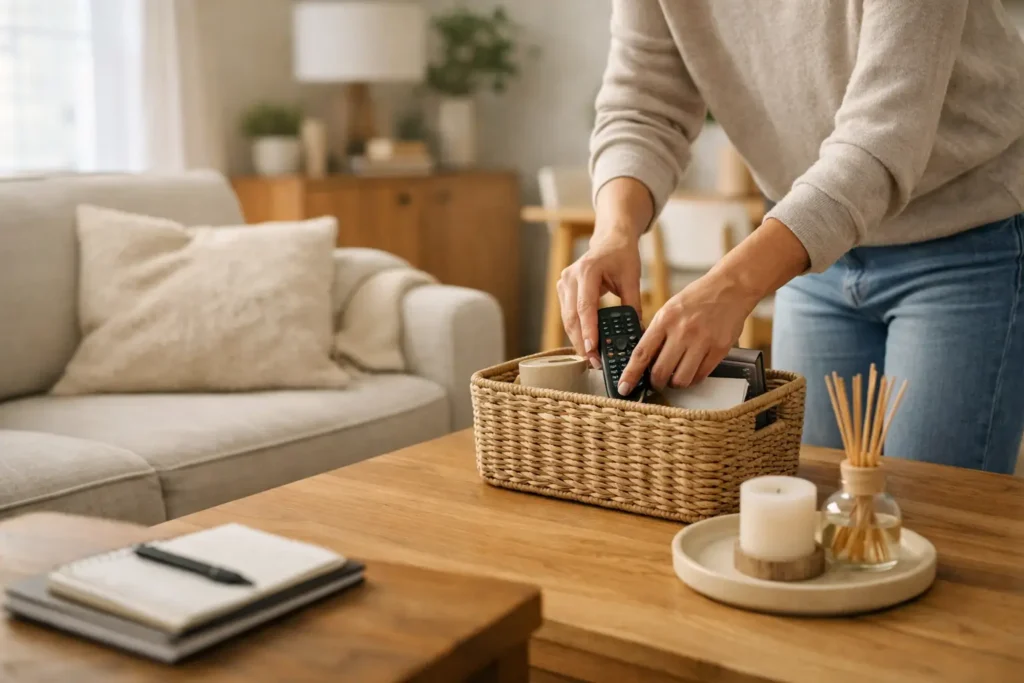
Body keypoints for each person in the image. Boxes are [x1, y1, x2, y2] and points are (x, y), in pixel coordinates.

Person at [561, 1, 1024, 474]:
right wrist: (614, 234)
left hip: (965, 244)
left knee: (931, 514)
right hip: (810, 253)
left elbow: (883, 135)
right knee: (808, 496)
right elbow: (642, 105)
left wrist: (733, 284)